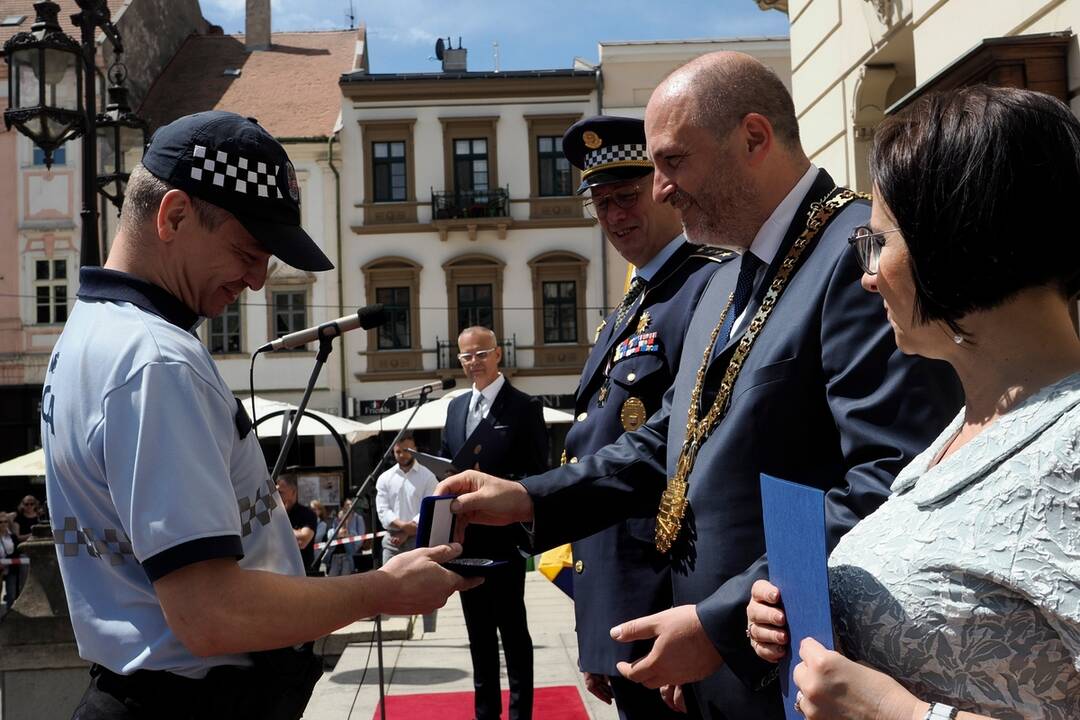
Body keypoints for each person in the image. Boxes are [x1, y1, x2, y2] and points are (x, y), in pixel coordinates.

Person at [436, 51, 962, 720]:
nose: (659, 189)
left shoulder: (853, 261)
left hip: (805, 676)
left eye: (672, 162)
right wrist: (527, 497)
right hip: (722, 675)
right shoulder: (724, 279)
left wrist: (717, 625)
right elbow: (669, 444)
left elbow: (888, 484)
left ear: (753, 138)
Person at [41, 110, 478, 720]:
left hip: (147, 689)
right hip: (194, 701)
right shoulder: (157, 360)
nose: (255, 282)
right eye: (248, 252)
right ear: (172, 216)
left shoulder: (89, 333)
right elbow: (210, 614)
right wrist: (385, 590)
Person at [745, 86, 1080, 720]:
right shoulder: (971, 422)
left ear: (957, 240)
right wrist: (815, 617)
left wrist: (893, 713)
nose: (868, 275)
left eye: (879, 243)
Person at [559, 115, 731, 719]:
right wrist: (597, 629)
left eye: (626, 197)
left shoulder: (709, 288)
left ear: (662, 187)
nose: (614, 216)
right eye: (600, 203)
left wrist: (696, 631)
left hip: (669, 605)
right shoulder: (635, 304)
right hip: (625, 608)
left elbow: (700, 476)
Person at [440, 326, 549, 720]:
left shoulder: (524, 407)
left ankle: (521, 714)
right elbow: (446, 461)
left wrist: (501, 486)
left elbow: (538, 473)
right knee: (479, 638)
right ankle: (485, 713)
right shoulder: (454, 409)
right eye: (466, 356)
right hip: (467, 541)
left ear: (498, 354)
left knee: (513, 634)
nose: (473, 362)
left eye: (481, 354)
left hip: (505, 540)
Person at [375, 435, 437, 565]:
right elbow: (383, 510)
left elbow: (430, 507)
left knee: (417, 582)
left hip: (418, 539)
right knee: (387, 582)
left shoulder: (428, 476)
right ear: (393, 451)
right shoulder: (385, 478)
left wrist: (407, 532)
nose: (402, 455)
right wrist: (403, 527)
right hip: (392, 540)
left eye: (407, 450)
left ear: (415, 449)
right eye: (398, 451)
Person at [276, 476, 318, 573]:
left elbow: (303, 540)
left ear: (293, 492)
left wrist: (279, 526)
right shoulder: (274, 515)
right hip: (278, 572)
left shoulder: (307, 514)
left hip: (300, 572)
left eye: (280, 492)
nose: (276, 496)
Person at [0, 513, 17, 610]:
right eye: (0, 522)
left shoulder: (12, 536)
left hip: (11, 569)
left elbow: (16, 552)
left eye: (5, 521)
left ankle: (8, 616)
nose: (3, 524)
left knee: (11, 594)